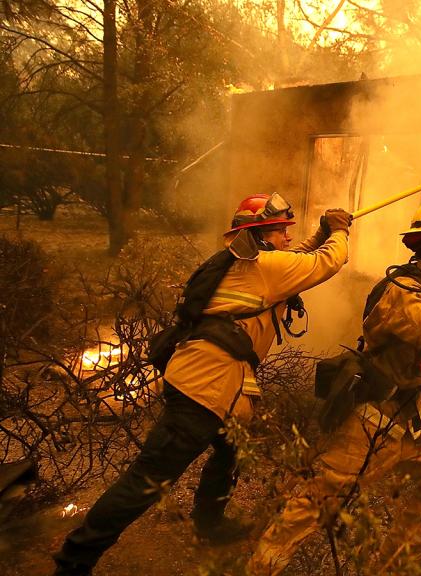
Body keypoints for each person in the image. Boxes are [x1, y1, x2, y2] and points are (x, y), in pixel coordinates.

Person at [54, 193, 354, 576]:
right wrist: (339, 231)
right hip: (204, 390)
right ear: (260, 234)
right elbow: (326, 263)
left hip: (215, 386)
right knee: (148, 480)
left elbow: (296, 259)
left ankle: (210, 523)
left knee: (229, 452)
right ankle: (74, 560)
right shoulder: (263, 266)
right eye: (281, 232)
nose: (287, 239)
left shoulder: (244, 263)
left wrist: (320, 232)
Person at [247, 196, 421, 575]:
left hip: (408, 414)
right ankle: (258, 567)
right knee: (318, 500)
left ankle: (393, 566)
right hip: (373, 420)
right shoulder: (404, 292)